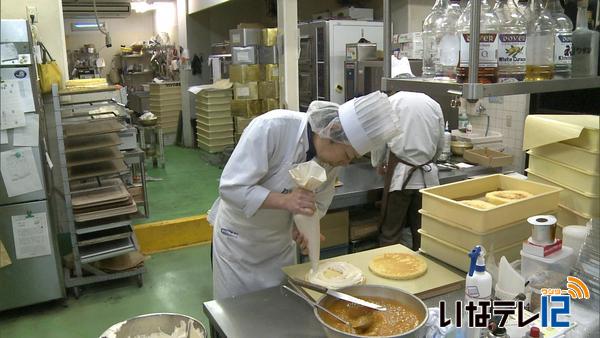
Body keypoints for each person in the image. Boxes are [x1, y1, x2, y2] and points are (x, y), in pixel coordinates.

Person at [209, 91, 398, 299]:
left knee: (275, 308)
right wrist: (286, 201)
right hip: (239, 243)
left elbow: (318, 204)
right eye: (346, 155)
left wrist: (303, 227)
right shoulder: (272, 128)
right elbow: (231, 188)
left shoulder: (331, 162)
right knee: (237, 315)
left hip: (278, 245)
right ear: (333, 131)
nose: (345, 163)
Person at [371, 91, 445, 250]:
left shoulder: (391, 102)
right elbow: (440, 142)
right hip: (427, 182)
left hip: (400, 180)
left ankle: (389, 270)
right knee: (423, 234)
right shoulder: (432, 103)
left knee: (391, 232)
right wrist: (431, 160)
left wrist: (378, 163)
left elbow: (379, 139)